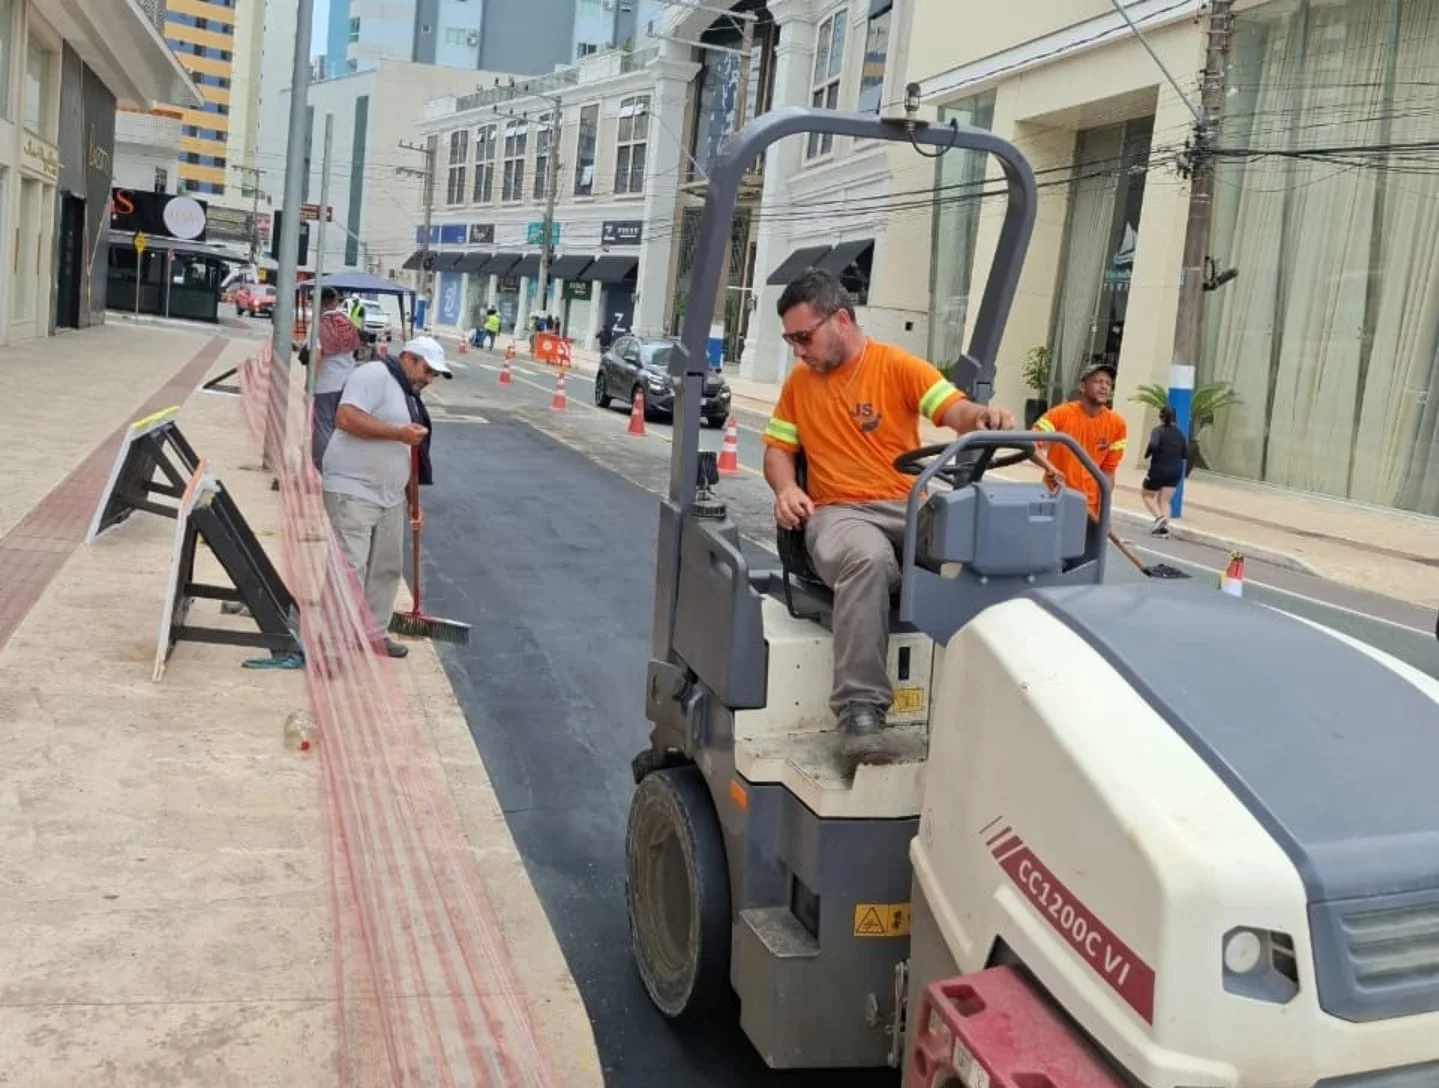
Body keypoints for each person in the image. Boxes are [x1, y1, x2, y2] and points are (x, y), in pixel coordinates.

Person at [760, 269, 1014, 761]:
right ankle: (860, 708)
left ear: (840, 319)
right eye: (790, 340)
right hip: (839, 513)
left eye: (803, 337)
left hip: (907, 504)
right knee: (867, 559)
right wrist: (787, 488)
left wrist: (982, 418)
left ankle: (994, 697)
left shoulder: (898, 366)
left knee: (985, 537)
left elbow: (954, 410)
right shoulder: (799, 384)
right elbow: (777, 450)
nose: (797, 350)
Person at [322, 336, 452, 659]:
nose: (429, 378)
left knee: (386, 566)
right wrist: (398, 433)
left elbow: (408, 452)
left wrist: (412, 503)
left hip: (388, 495)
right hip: (353, 487)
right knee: (349, 567)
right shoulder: (374, 376)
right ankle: (332, 643)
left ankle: (373, 634)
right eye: (427, 370)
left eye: (434, 374)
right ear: (408, 358)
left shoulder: (409, 396)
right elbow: (346, 418)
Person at [1033, 361, 1128, 554]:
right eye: (1098, 381)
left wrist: (1104, 511)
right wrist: (1050, 468)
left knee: (1084, 566)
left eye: (1108, 383)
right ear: (1082, 386)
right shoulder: (1060, 414)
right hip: (1055, 500)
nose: (1103, 386)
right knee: (1049, 559)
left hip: (1089, 509)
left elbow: (1108, 472)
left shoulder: (1117, 424)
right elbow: (1030, 445)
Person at [312, 286, 363, 470]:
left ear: (319, 303)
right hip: (348, 383)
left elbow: (317, 356)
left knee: (322, 426)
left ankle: (323, 466)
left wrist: (310, 383)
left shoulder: (319, 324)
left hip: (326, 384)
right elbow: (356, 351)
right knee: (340, 426)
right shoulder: (347, 322)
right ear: (335, 301)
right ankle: (340, 464)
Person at [1140, 404, 1186, 536]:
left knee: (1147, 494)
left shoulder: (1158, 431)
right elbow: (1184, 454)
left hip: (1159, 469)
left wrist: (1148, 453)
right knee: (1164, 500)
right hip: (1175, 471)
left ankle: (1159, 518)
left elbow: (1154, 444)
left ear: (1161, 417)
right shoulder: (1180, 434)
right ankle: (1163, 528)